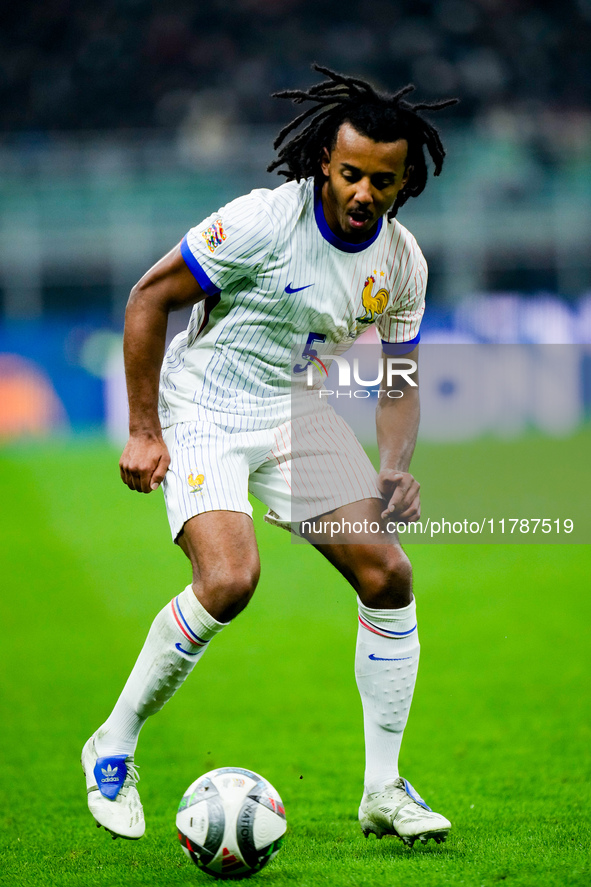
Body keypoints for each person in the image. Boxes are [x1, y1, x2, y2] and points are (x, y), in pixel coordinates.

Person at [81, 65, 457, 848]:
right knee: (228, 578)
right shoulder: (260, 221)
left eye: (380, 181)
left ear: (403, 183)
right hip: (205, 407)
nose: (362, 191)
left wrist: (393, 466)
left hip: (294, 412)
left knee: (388, 573)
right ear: (324, 160)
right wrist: (145, 428)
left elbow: (399, 381)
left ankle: (383, 788)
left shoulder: (403, 262)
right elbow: (150, 298)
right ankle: (112, 743)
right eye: (350, 172)